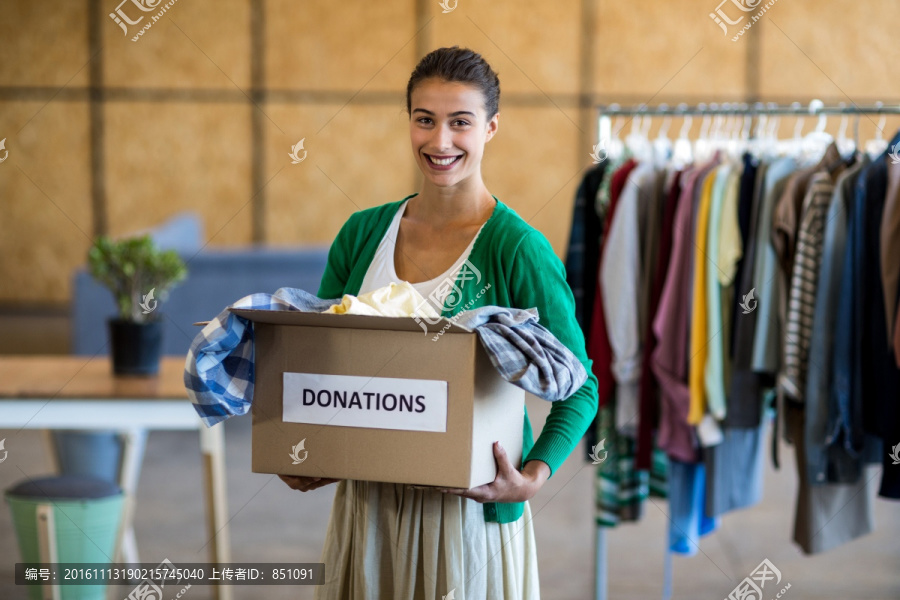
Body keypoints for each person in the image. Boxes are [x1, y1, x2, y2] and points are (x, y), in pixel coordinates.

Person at [278, 46, 599, 600]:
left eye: (460, 123)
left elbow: (581, 385)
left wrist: (532, 477)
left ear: (491, 128)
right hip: (368, 507)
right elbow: (318, 358)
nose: (440, 141)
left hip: (468, 516)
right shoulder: (362, 233)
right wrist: (307, 448)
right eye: (425, 120)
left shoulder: (517, 248)